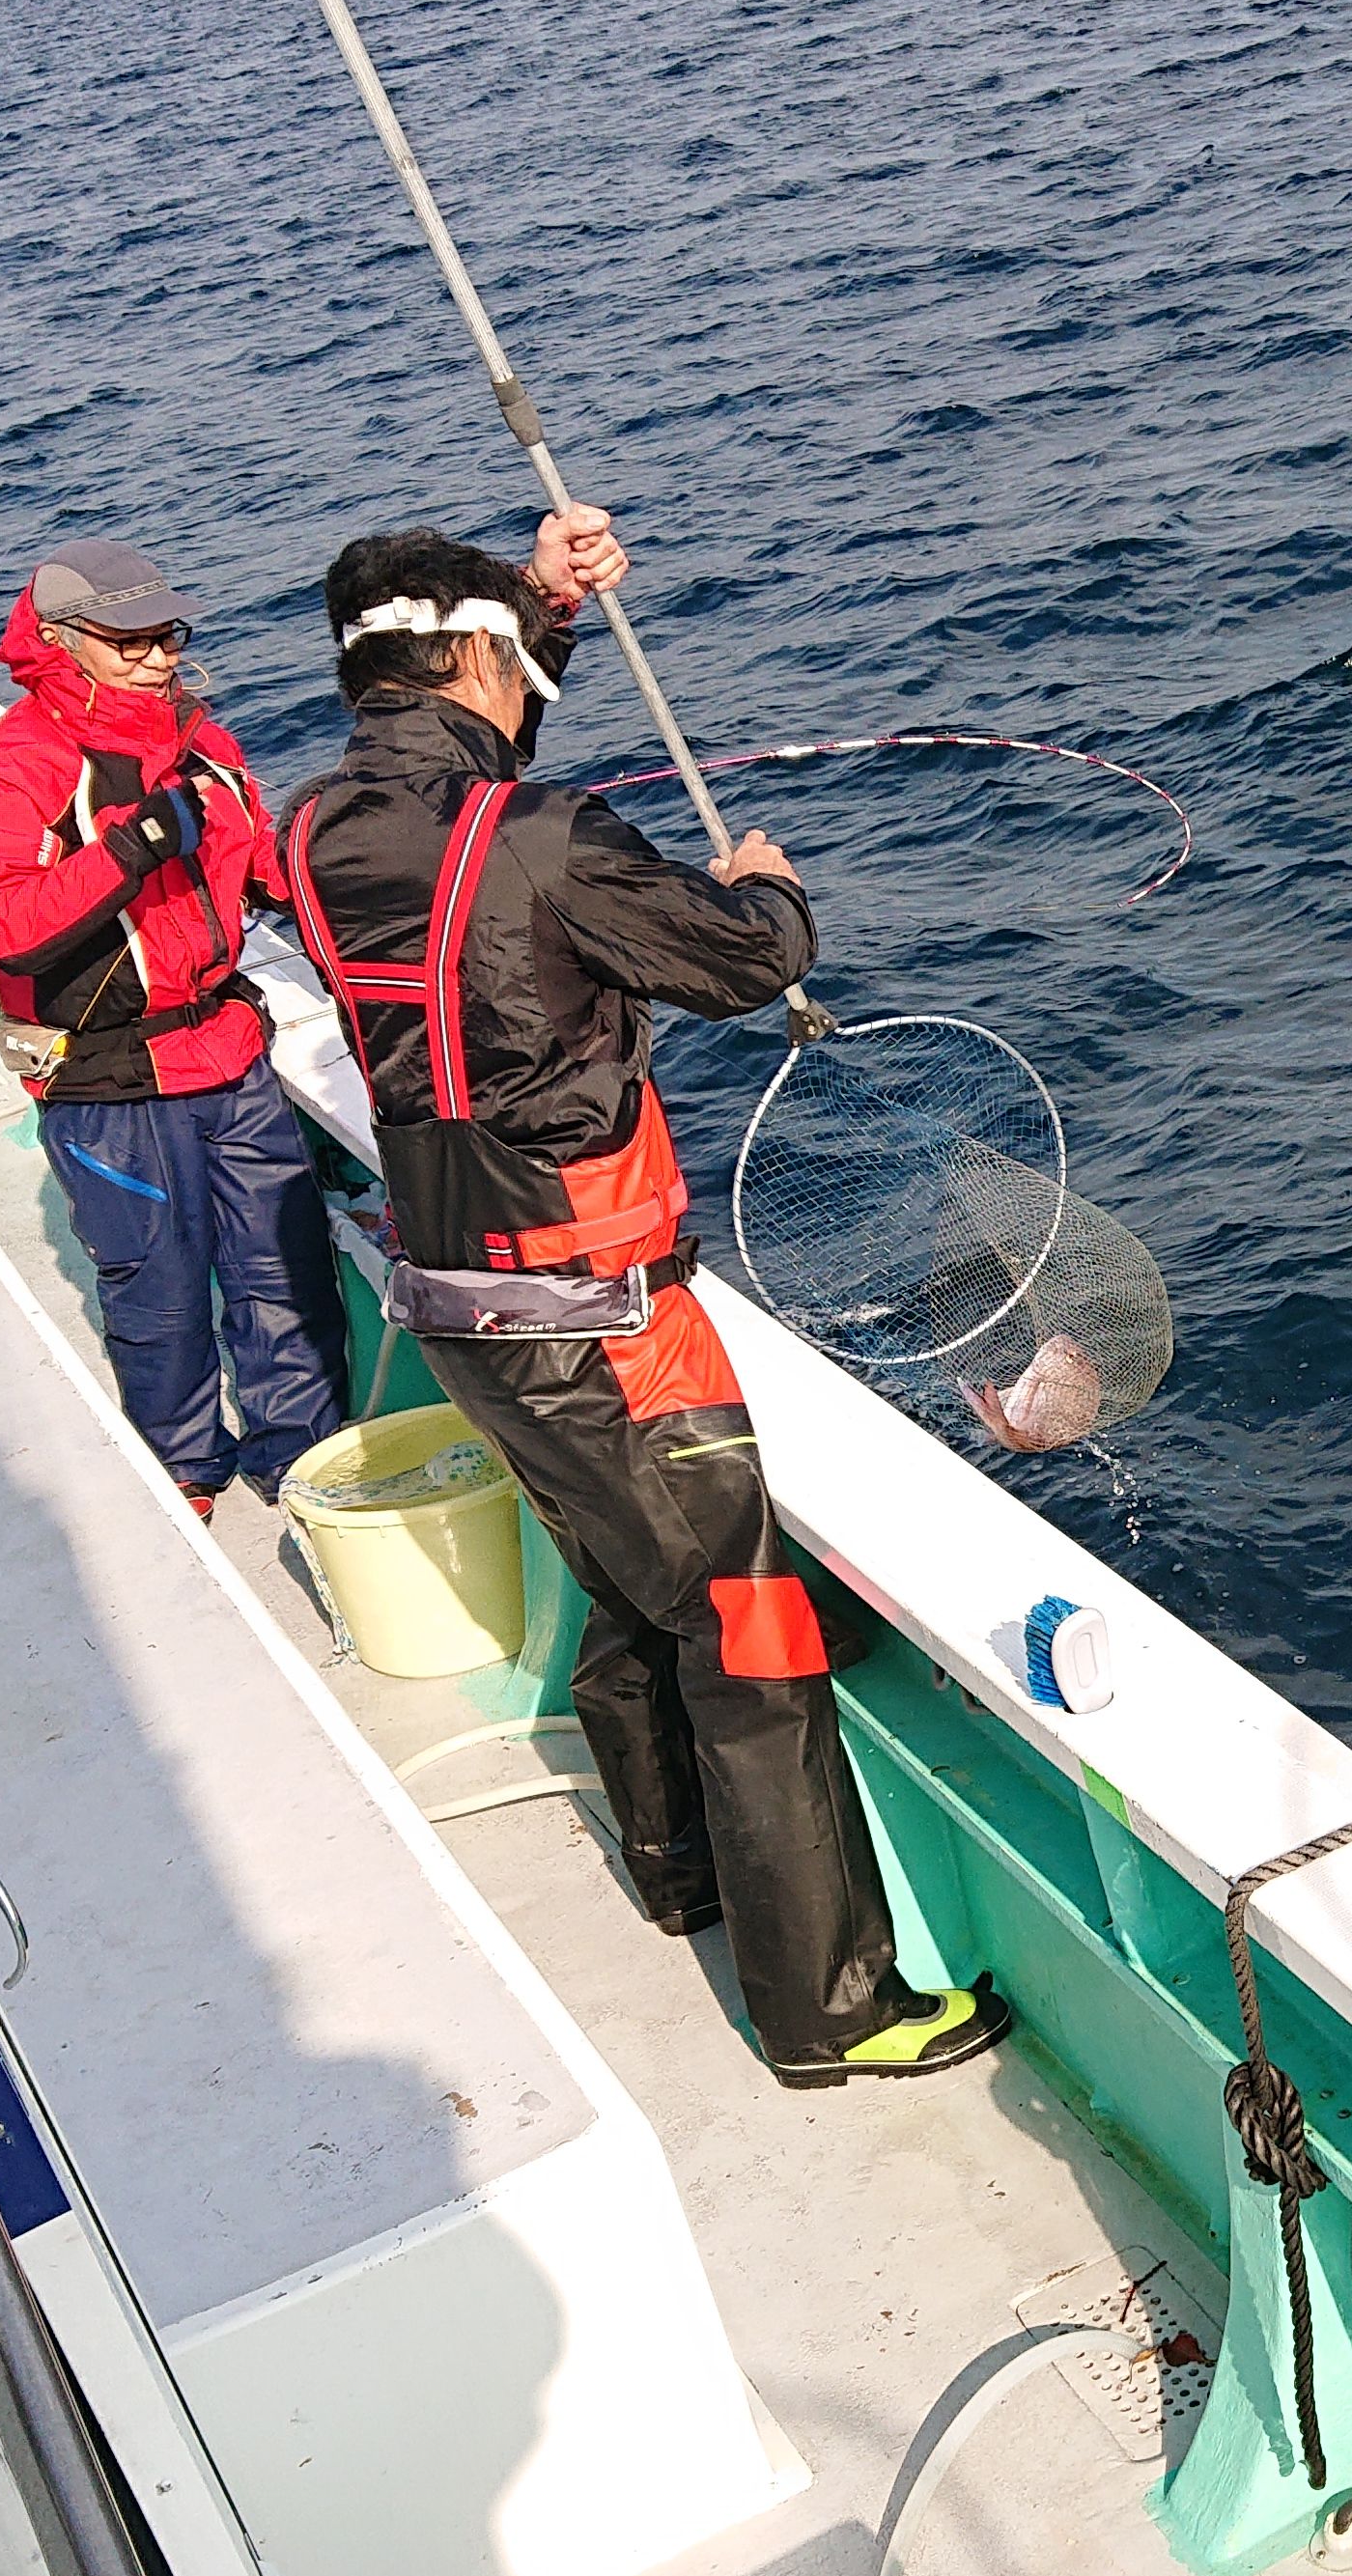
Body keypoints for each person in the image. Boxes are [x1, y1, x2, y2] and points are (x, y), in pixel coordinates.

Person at [274, 506, 1005, 2089]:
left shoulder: (312, 828)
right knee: (745, 1623)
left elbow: (465, 795)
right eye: (509, 650)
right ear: (469, 659)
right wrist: (770, 892)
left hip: (459, 1303)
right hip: (605, 1320)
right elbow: (739, 961)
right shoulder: (543, 836)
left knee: (627, 1587)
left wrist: (541, 608)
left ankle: (680, 1875)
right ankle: (832, 2009)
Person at [0, 535, 350, 1516]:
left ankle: (304, 1462)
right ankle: (185, 1471)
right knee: (157, 1291)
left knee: (286, 1273)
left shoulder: (205, 742)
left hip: (229, 1051)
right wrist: (130, 848)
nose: (158, 657)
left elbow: (257, 870)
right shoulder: (9, 771)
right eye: (130, 641)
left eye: (168, 635)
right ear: (59, 640)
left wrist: (336, 849)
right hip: (109, 1081)